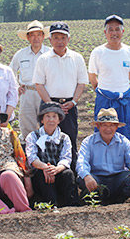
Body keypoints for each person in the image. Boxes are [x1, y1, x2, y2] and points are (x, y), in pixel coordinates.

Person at [33, 21, 89, 172]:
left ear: (68, 39)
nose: (59, 41)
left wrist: (74, 102)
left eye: (63, 37)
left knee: (69, 139)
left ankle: (70, 175)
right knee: (45, 140)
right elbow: (39, 85)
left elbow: (81, 84)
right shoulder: (43, 59)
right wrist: (52, 105)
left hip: (69, 105)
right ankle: (46, 173)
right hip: (49, 105)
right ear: (50, 40)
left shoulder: (76, 58)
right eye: (56, 37)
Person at [76, 108, 130, 204]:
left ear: (117, 126)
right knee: (83, 179)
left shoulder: (123, 141)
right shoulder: (88, 142)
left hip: (118, 179)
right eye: (104, 125)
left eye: (112, 125)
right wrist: (87, 176)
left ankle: (123, 199)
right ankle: (96, 200)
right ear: (98, 126)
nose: (108, 129)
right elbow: (81, 162)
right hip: (97, 178)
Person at [88, 15, 130, 139]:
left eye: (117, 29)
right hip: (105, 100)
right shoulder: (98, 52)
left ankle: (122, 158)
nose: (114, 33)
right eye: (110, 29)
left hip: (124, 100)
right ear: (105, 32)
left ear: (123, 31)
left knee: (124, 133)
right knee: (103, 133)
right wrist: (104, 92)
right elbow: (92, 76)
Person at [25, 102, 79, 206]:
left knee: (68, 174)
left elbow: (66, 158)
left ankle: (73, 205)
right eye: (47, 116)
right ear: (42, 120)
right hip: (41, 172)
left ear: (59, 120)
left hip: (57, 171)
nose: (51, 120)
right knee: (42, 175)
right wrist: (45, 168)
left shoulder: (64, 137)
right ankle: (51, 205)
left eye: (54, 116)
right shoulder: (33, 136)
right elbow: (32, 157)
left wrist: (55, 169)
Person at [10, 20, 51, 144]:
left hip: (45, 93)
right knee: (27, 125)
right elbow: (10, 72)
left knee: (48, 123)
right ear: (27, 37)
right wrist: (16, 86)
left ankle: (46, 152)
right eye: (32, 35)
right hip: (27, 93)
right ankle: (29, 154)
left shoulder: (50, 53)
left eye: (39, 34)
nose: (36, 38)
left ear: (43, 36)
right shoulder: (21, 54)